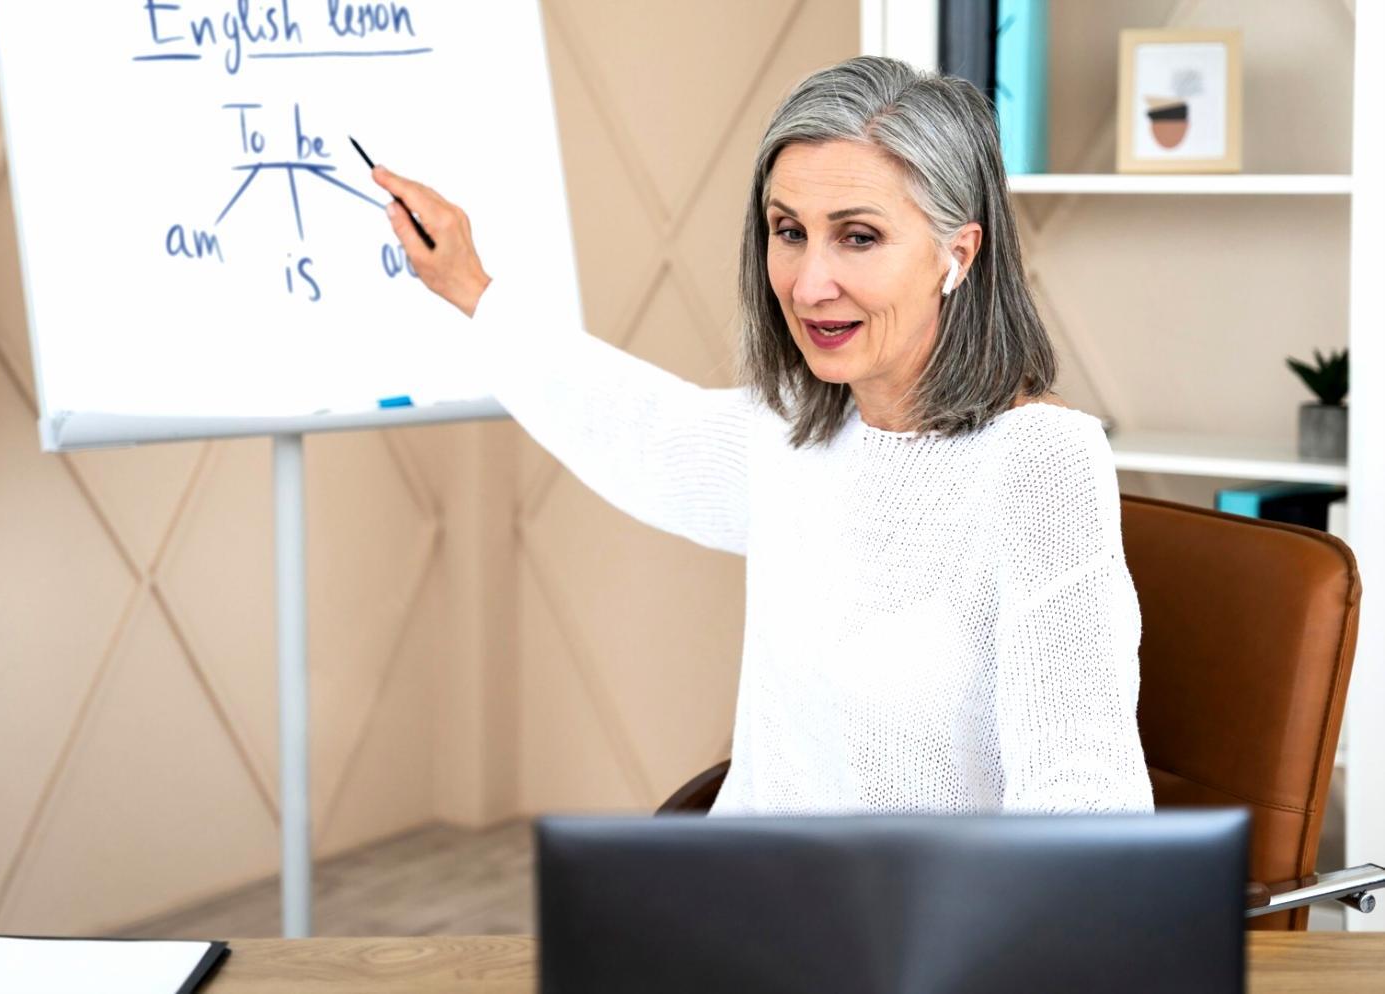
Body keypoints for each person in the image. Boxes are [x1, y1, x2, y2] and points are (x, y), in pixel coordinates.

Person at [369, 55, 1155, 816]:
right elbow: (637, 428)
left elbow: (1083, 801)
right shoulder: (798, 432)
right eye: (788, 230)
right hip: (750, 909)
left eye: (858, 237)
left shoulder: (1041, 466)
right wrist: (473, 290)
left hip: (921, 938)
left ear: (958, 253)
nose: (809, 285)